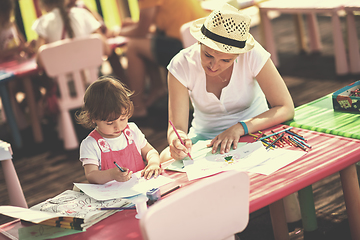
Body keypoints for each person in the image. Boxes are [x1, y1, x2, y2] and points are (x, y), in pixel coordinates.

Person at [160, 3, 295, 162]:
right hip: (206, 139)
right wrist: (178, 140)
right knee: (165, 158)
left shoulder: (252, 54)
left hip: (255, 129)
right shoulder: (181, 64)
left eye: (225, 60)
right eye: (208, 55)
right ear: (199, 43)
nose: (214, 66)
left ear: (239, 54)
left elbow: (286, 108)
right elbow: (177, 128)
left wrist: (240, 128)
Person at [117, 0, 208, 118]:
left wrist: (118, 32)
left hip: (184, 45)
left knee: (134, 46)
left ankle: (137, 106)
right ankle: (158, 88)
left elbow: (141, 30)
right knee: (146, 42)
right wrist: (135, 26)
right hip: (200, 37)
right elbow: (157, 26)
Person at [76, 76, 161, 184]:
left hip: (142, 187)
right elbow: (91, 175)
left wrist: (153, 163)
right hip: (113, 196)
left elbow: (150, 151)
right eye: (110, 123)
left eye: (123, 118)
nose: (118, 127)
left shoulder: (132, 130)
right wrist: (111, 175)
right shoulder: (90, 144)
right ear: (92, 117)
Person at [0, 0, 37, 130]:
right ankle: (20, 126)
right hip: (5, 70)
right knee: (10, 88)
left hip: (19, 64)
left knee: (33, 84)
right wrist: (16, 49)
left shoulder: (12, 23)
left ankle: (35, 122)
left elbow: (21, 44)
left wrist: (28, 47)